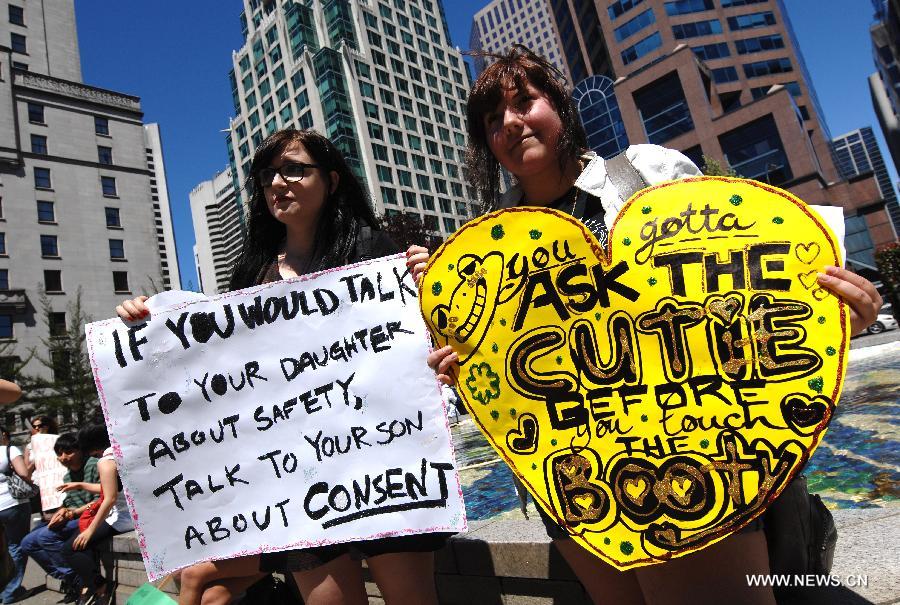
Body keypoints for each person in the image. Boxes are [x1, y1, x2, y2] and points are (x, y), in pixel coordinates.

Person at [415, 46, 883, 605]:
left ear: (560, 106)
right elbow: (496, 368)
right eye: (493, 119)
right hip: (568, 482)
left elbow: (733, 290)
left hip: (695, 456)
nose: (511, 124)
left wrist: (829, 310)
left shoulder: (644, 173)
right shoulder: (487, 245)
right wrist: (460, 368)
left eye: (524, 102)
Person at [116, 128, 445, 605]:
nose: (278, 183)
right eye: (269, 175)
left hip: (385, 464)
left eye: (295, 169)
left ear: (331, 181)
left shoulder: (375, 251)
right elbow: (215, 367)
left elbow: (428, 340)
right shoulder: (251, 274)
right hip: (297, 479)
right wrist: (148, 325)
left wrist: (430, 283)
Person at [21, 433, 100, 603]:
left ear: (80, 450)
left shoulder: (94, 466)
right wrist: (62, 512)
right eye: (59, 454)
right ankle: (71, 578)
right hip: (75, 516)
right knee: (27, 542)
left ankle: (78, 579)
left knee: (46, 537)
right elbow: (69, 503)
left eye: (68, 452)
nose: (63, 457)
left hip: (94, 517)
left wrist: (72, 513)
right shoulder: (67, 476)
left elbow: (100, 500)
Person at [60, 424, 132, 605]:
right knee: (84, 541)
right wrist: (81, 485)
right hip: (135, 514)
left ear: (93, 449)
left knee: (70, 548)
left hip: (123, 518)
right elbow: (114, 487)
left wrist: (90, 530)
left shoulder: (105, 461)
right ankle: (95, 585)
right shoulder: (124, 452)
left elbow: (109, 499)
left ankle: (100, 586)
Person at [0, 426, 32, 604]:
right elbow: (24, 473)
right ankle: (11, 592)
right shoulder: (9, 450)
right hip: (13, 504)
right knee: (16, 546)